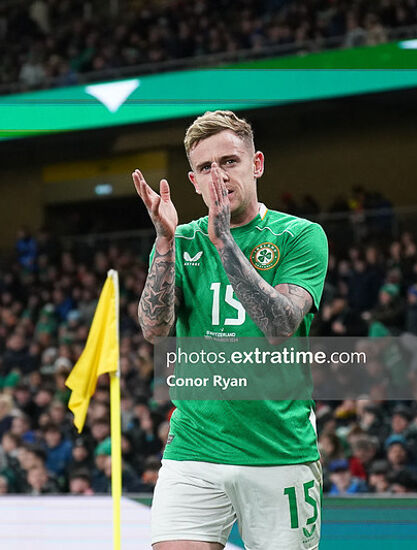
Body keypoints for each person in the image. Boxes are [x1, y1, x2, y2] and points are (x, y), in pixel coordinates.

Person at [134, 110, 328, 549]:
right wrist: (164, 241)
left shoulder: (301, 235)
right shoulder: (180, 240)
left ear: (256, 164)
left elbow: (279, 324)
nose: (218, 175)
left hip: (277, 451)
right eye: (205, 167)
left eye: (229, 161)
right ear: (193, 180)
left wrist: (224, 240)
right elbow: (154, 328)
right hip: (194, 448)